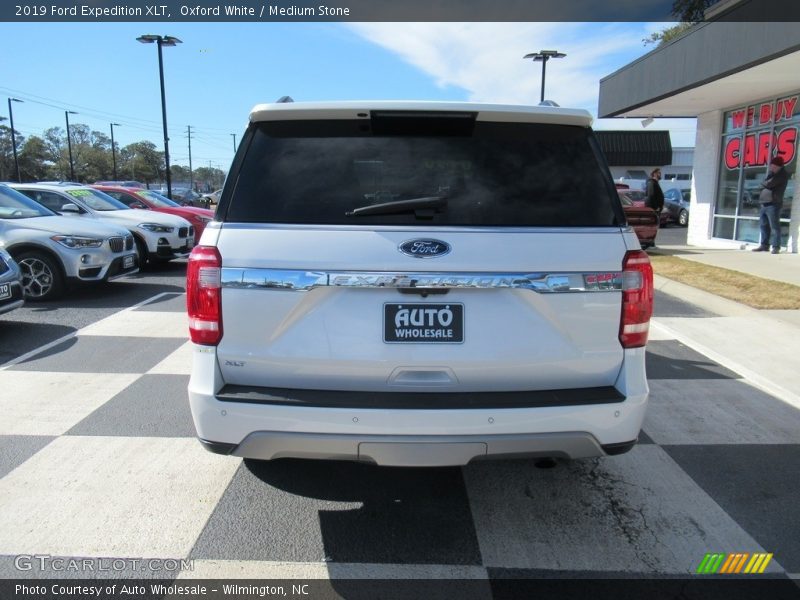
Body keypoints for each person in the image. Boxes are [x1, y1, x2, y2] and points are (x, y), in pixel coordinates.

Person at [752, 156, 789, 254]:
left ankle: (776, 247)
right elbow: (765, 183)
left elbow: (769, 184)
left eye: (773, 166)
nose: (771, 168)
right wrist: (765, 181)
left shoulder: (782, 175)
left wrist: (763, 183)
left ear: (779, 166)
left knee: (774, 226)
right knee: (763, 225)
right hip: (764, 204)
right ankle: (764, 245)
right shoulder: (772, 174)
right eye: (771, 166)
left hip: (773, 204)